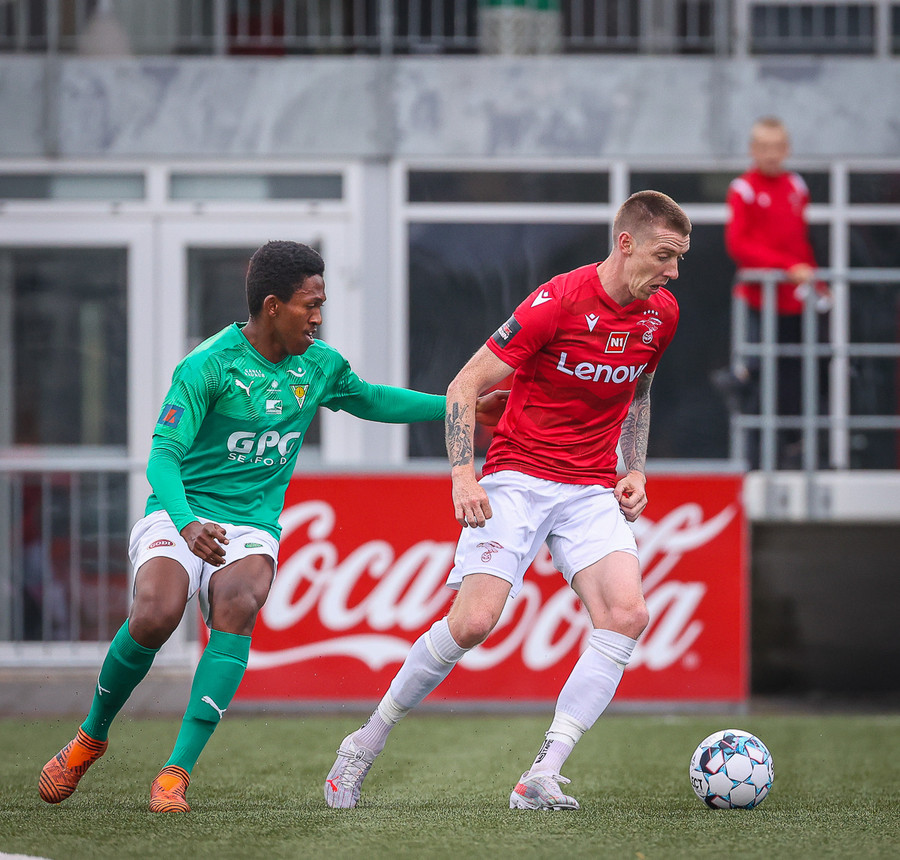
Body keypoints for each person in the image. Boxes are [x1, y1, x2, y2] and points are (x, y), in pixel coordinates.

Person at [38, 240, 506, 814]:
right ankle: (90, 737)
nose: (318, 318)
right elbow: (162, 457)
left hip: (251, 525)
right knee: (156, 612)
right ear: (272, 306)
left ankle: (176, 773)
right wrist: (186, 524)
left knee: (240, 601)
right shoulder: (208, 365)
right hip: (181, 510)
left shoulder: (320, 365)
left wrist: (459, 405)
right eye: (311, 305)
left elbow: (372, 400)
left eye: (321, 305)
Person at [324, 191, 691, 811]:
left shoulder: (662, 315)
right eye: (664, 255)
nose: (673, 272)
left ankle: (542, 774)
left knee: (627, 615)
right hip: (518, 477)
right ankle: (364, 741)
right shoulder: (557, 302)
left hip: (590, 487)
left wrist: (635, 467)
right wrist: (462, 475)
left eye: (679, 258)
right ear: (625, 243)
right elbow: (464, 384)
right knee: (473, 623)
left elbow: (640, 390)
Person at [718, 116, 829, 466]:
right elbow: (738, 245)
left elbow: (800, 243)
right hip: (758, 302)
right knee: (757, 380)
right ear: (752, 150)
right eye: (763, 147)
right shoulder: (743, 189)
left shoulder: (796, 185)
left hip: (793, 306)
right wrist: (786, 268)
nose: (770, 154)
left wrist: (817, 283)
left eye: (777, 147)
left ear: (787, 149)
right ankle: (754, 459)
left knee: (797, 379)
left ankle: (795, 450)